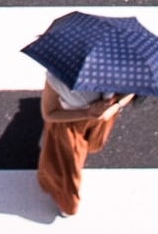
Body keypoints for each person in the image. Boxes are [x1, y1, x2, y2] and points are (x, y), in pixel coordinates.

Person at [36, 72, 133, 216]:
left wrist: (113, 107)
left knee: (64, 160)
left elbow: (50, 113)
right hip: (72, 123)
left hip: (89, 118)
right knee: (68, 166)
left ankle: (65, 202)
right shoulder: (118, 69)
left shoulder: (59, 75)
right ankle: (68, 203)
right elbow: (49, 114)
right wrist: (96, 111)